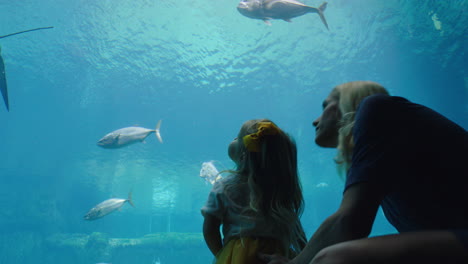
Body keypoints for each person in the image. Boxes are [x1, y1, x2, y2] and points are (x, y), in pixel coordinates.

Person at [260, 81, 468, 264]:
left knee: (333, 258)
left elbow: (349, 222)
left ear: (349, 102)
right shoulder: (386, 163)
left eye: (325, 106)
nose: (315, 120)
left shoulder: (377, 107)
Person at [201, 119, 307, 264]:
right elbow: (299, 236)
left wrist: (222, 255)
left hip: (239, 257)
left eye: (238, 137)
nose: (233, 139)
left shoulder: (224, 187)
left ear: (244, 154)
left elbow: (210, 228)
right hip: (278, 256)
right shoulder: (278, 192)